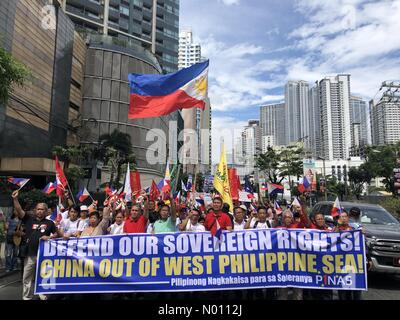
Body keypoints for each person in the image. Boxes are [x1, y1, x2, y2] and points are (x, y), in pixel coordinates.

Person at [12, 190, 62, 300]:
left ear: (46, 211)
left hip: (44, 256)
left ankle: (43, 297)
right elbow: (19, 210)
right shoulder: (28, 219)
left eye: (42, 209)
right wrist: (15, 199)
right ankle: (27, 297)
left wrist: (49, 237)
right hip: (30, 255)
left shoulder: (50, 223)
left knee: (44, 277)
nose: (39, 211)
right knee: (27, 277)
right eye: (38, 209)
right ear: (35, 210)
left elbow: (58, 235)